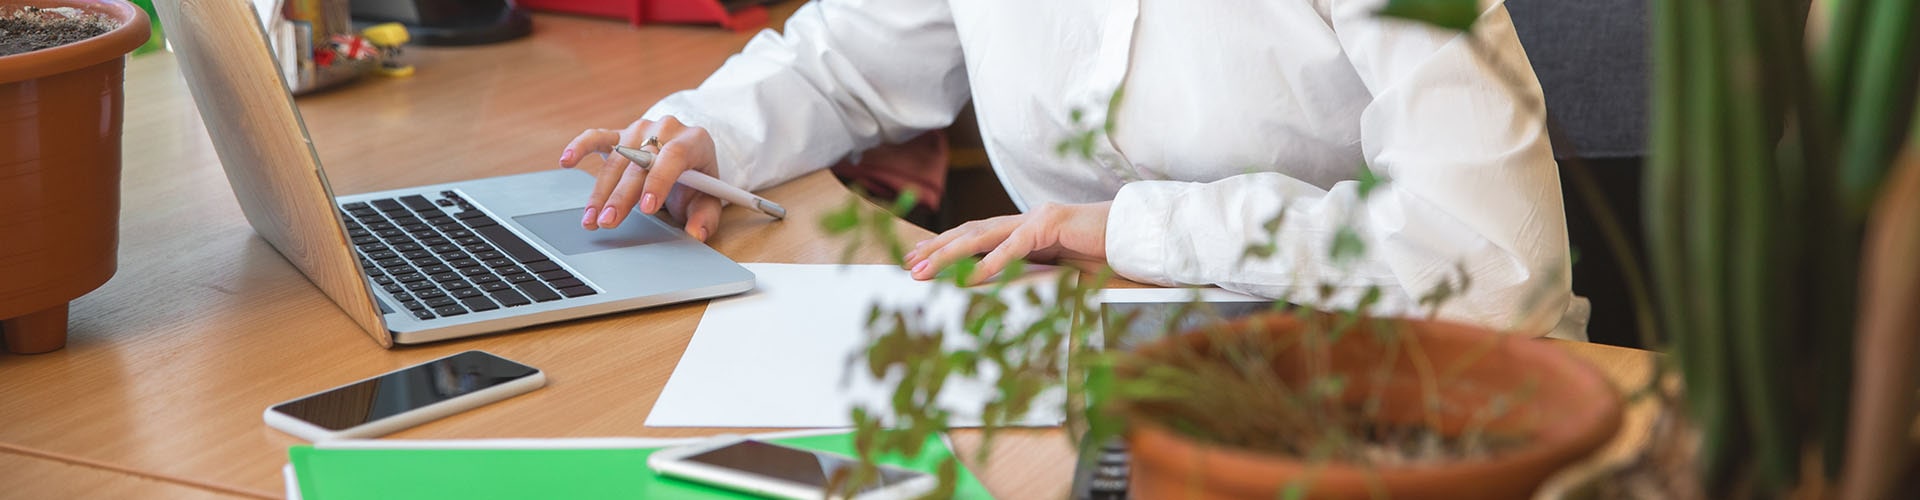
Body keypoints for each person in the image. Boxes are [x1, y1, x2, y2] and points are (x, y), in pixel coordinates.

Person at [557, 0, 1583, 338]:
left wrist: (1135, 228)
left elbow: (1493, 265)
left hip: (1382, 378)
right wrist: (707, 133)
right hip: (1092, 354)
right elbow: (849, 62)